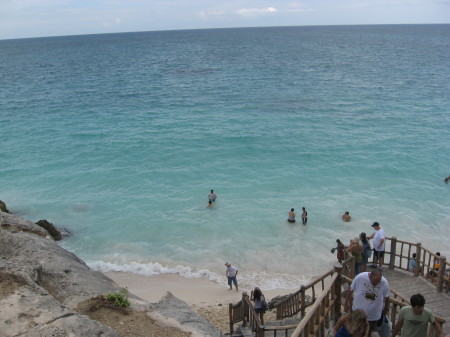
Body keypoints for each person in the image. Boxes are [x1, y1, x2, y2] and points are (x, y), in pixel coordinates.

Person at [344, 270, 390, 336]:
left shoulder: (384, 282)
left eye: (378, 283)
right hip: (358, 312)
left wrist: (386, 308)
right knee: (355, 330)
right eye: (374, 283)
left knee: (369, 331)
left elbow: (387, 296)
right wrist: (346, 303)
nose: (376, 285)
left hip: (373, 315)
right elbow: (351, 290)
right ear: (370, 277)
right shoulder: (360, 277)